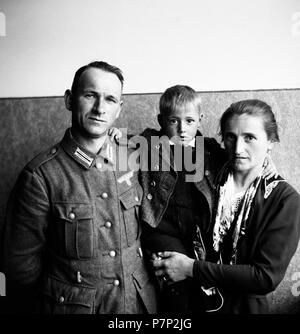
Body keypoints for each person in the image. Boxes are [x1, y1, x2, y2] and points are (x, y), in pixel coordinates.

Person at [2, 61, 157, 314]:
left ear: (119, 109)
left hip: (137, 305)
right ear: (69, 100)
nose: (99, 108)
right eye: (90, 95)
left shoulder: (132, 155)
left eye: (109, 100)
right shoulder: (40, 175)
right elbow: (20, 268)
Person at [112, 87, 277, 314]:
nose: (182, 129)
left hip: (197, 227)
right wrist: (117, 137)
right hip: (162, 226)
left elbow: (242, 160)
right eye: (173, 121)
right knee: (175, 280)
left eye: (189, 121)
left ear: (200, 120)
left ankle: (207, 300)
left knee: (201, 271)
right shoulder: (151, 142)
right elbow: (127, 143)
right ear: (161, 120)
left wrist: (269, 171)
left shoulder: (207, 148)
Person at [152, 99, 300, 314]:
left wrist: (190, 268)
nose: (238, 148)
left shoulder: (284, 200)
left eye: (250, 138)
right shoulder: (208, 177)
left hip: (243, 309)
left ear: (271, 141)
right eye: (231, 137)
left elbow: (265, 278)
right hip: (193, 305)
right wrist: (116, 139)